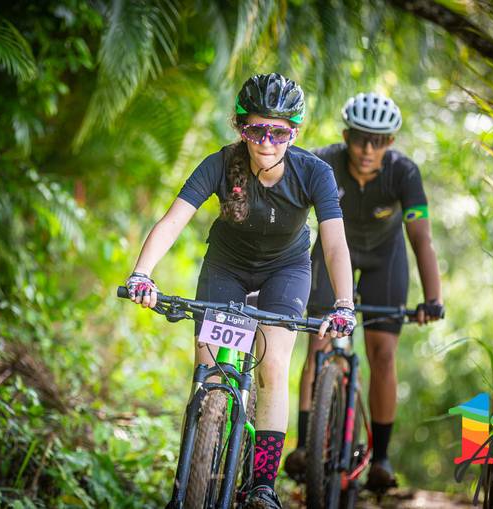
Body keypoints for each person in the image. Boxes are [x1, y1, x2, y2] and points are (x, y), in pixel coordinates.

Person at [125, 73, 356, 508]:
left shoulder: (314, 172)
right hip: (226, 266)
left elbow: (334, 244)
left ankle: (263, 485)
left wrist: (344, 303)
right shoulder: (220, 163)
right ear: (240, 127)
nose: (267, 142)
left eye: (279, 132)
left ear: (295, 133)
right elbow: (173, 220)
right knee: (208, 371)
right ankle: (189, 480)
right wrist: (142, 273)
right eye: (256, 130)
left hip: (286, 271)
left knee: (273, 367)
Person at [283, 92, 444, 492]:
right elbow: (288, 214)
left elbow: (421, 238)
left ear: (391, 142)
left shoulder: (404, 172)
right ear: (346, 136)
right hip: (330, 253)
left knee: (382, 353)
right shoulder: (324, 162)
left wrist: (433, 298)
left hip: (384, 259)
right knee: (318, 345)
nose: (368, 149)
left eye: (379, 140)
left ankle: (381, 460)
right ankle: (305, 444)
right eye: (360, 139)